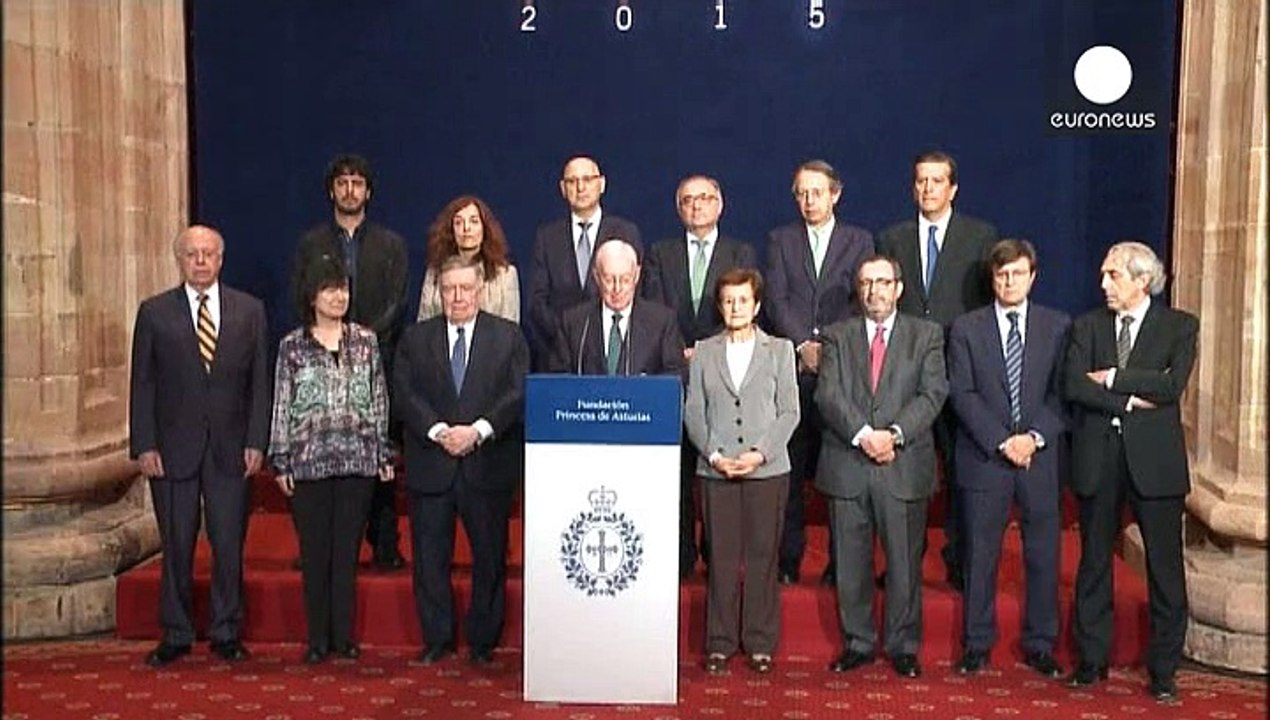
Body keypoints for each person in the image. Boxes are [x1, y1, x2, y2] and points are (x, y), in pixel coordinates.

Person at [128, 224, 270, 667]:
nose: (201, 261)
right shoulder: (154, 313)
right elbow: (143, 384)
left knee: (229, 543)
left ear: (221, 259)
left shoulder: (250, 311)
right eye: (193, 254)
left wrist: (256, 440)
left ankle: (227, 631)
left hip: (231, 449)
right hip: (171, 450)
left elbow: (259, 383)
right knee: (176, 544)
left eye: (209, 253)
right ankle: (176, 632)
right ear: (180, 260)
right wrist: (144, 444)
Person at [1063, 242, 1197, 703]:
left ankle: (1163, 671)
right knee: (1094, 563)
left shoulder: (1179, 326)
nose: (1103, 284)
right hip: (1098, 458)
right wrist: (1127, 400)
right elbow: (1074, 384)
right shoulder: (1086, 326)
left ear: (1142, 281)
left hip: (1155, 464)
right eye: (1103, 274)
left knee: (1165, 568)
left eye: (1113, 275)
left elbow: (1170, 385)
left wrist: (1116, 378)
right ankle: (1091, 661)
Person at [815, 254, 948, 679]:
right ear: (858, 289)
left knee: (905, 565)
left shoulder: (925, 335)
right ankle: (857, 642)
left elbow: (932, 394)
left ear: (899, 288)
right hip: (848, 462)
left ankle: (903, 645)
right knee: (850, 563)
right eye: (866, 283)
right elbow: (828, 394)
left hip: (903, 463)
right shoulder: (837, 335)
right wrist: (863, 435)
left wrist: (891, 435)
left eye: (883, 282)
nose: (874, 291)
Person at [394, 255, 530, 667]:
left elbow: (516, 393)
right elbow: (404, 394)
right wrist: (438, 432)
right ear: (438, 291)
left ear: (481, 290)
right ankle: (437, 640)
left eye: (465, 288)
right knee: (430, 558)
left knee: (489, 558)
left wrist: (478, 430)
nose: (457, 297)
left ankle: (483, 642)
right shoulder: (415, 339)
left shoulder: (508, 337)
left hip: (486, 465)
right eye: (449, 288)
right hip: (431, 465)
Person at [945, 239, 1070, 677]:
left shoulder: (1058, 326)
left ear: (1033, 276)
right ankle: (977, 643)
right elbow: (962, 393)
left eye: (1017, 273)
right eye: (1001, 275)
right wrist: (1003, 441)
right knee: (980, 555)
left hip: (1039, 459)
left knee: (1043, 554)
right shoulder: (965, 328)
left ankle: (1040, 643)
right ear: (992, 278)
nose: (1009, 281)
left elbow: (1063, 394)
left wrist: (1032, 439)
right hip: (986, 457)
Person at [877, 150, 998, 592]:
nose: (928, 189)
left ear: (953, 188)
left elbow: (987, 306)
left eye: (936, 181)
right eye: (921, 181)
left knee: (963, 471)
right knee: (906, 477)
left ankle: (960, 559)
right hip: (906, 376)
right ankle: (902, 564)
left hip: (962, 372)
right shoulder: (892, 238)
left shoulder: (980, 236)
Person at [268, 254, 394, 664]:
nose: (339, 296)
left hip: (358, 462)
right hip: (308, 463)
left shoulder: (365, 341)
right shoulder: (292, 346)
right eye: (329, 289)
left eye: (343, 288)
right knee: (316, 552)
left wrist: (381, 451)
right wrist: (281, 459)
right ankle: (317, 638)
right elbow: (282, 403)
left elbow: (379, 399)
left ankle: (343, 637)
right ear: (311, 295)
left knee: (346, 554)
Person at [294, 153, 410, 572]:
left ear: (368, 191)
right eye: (342, 182)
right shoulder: (312, 244)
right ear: (331, 191)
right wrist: (332, 341)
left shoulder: (391, 245)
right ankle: (318, 545)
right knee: (323, 455)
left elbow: (398, 303)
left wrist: (361, 340)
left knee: (378, 455)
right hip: (322, 363)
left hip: (377, 362)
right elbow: (302, 299)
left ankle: (384, 544)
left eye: (357, 182)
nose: (349, 189)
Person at [683, 268, 800, 676]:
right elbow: (694, 411)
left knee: (763, 557)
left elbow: (790, 412)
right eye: (728, 300)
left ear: (757, 305)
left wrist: (759, 454)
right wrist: (714, 455)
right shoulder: (704, 351)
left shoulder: (780, 350)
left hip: (766, 471)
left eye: (743, 300)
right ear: (720, 305)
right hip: (716, 471)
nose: (735, 307)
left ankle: (759, 642)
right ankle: (719, 642)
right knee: (722, 558)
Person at [765, 159, 873, 586]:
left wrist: (827, 347)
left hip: (839, 371)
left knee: (839, 472)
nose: (809, 201)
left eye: (816, 192)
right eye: (801, 193)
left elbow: (861, 298)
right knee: (789, 472)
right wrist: (801, 344)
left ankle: (839, 564)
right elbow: (774, 298)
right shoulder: (780, 240)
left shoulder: (860, 240)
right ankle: (788, 561)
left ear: (835, 194)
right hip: (791, 369)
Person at [642, 174, 756, 578]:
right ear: (678, 208)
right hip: (673, 372)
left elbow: (742, 307)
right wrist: (679, 351)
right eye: (688, 200)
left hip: (724, 373)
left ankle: (718, 554)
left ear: (720, 204)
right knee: (678, 470)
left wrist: (705, 350)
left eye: (705, 198)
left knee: (716, 467)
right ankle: (680, 555)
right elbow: (653, 310)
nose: (696, 206)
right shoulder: (659, 253)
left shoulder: (740, 251)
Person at [528, 155, 643, 369]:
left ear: (602, 184)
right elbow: (537, 301)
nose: (580, 187)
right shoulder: (547, 237)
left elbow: (637, 291)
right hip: (560, 355)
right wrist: (567, 337)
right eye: (572, 181)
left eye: (588, 179)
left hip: (615, 352)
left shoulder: (625, 231)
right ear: (563, 189)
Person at [548, 239, 684, 377]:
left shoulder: (661, 322)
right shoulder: (575, 322)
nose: (617, 288)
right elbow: (558, 378)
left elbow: (674, 376)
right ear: (596, 276)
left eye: (625, 279)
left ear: (636, 275)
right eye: (608, 280)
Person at [417, 195, 520, 323]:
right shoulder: (434, 274)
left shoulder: (506, 275)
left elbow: (510, 332)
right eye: (459, 222)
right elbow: (423, 325)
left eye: (474, 221)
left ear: (485, 228)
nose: (466, 228)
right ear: (451, 230)